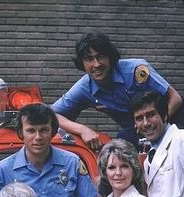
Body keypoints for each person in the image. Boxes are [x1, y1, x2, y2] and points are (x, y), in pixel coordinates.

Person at [52, 31, 184, 151]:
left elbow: (175, 98)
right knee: (120, 148)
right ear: (82, 63)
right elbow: (51, 114)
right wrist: (82, 130)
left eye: (101, 57)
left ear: (110, 57)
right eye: (89, 59)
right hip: (137, 130)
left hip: (173, 117)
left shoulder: (136, 70)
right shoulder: (83, 87)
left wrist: (160, 124)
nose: (97, 64)